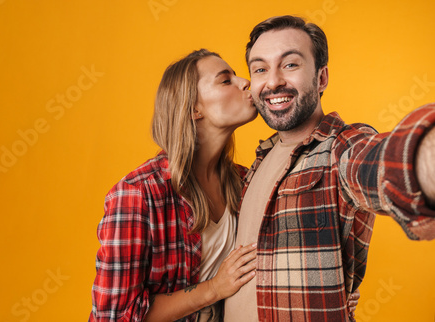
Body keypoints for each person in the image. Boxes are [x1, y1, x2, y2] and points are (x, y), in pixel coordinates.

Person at [224, 15, 435, 321]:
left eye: (290, 64)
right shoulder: (256, 164)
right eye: (260, 69)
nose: (272, 82)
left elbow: (382, 163)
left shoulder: (341, 148)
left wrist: (424, 158)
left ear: (321, 78)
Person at [89, 49, 259, 321]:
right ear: (194, 108)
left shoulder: (247, 182)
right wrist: (214, 288)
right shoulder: (138, 194)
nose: (245, 82)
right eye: (226, 80)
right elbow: (116, 315)